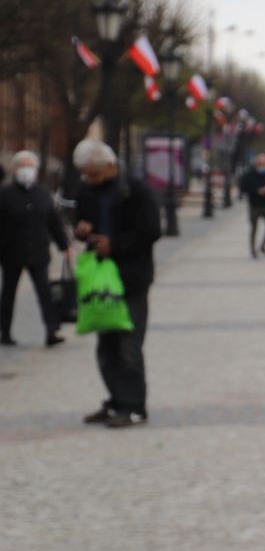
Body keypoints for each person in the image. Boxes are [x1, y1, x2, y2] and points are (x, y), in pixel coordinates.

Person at [73, 139, 160, 428]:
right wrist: (83, 230)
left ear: (110, 166)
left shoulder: (135, 189)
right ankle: (116, 402)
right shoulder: (86, 190)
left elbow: (151, 231)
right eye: (86, 174)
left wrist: (116, 245)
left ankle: (135, 408)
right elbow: (81, 220)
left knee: (129, 345)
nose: (90, 179)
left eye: (94, 174)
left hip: (131, 277)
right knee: (106, 346)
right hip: (101, 278)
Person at [0, 151, 70, 348]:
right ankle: (5, 331)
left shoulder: (43, 193)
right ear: (15, 170)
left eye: (29, 166)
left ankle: (51, 330)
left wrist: (64, 245)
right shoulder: (5, 194)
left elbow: (54, 222)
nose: (26, 170)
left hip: (38, 251)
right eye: (22, 165)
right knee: (8, 293)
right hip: (11, 252)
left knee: (45, 292)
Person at [239, 153, 265, 258]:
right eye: (261, 163)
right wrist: (257, 191)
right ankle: (253, 250)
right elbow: (244, 187)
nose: (263, 166)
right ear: (257, 163)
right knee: (254, 228)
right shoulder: (249, 174)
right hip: (254, 205)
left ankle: (263, 245)